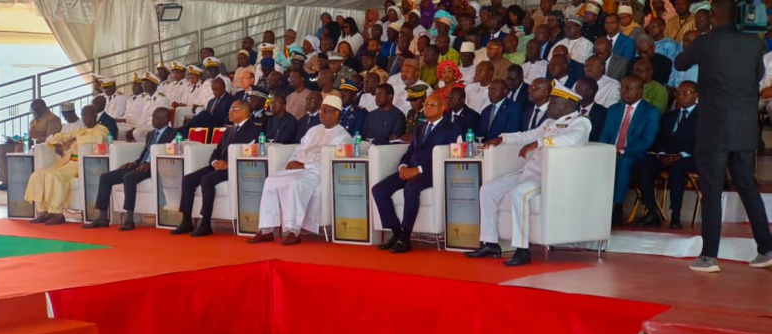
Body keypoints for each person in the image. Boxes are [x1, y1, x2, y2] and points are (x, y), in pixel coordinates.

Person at [674, 0, 772, 272]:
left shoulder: (706, 42)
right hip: (743, 127)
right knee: (747, 187)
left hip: (714, 128)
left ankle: (709, 256)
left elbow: (680, 63)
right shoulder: (754, 43)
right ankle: (766, 248)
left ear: (714, 15)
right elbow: (759, 75)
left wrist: (693, 47)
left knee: (712, 190)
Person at [465, 80, 591, 266]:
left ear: (569, 104)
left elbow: (571, 140)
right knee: (488, 190)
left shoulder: (580, 122)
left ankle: (522, 250)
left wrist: (539, 143)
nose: (550, 106)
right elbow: (527, 135)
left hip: (550, 176)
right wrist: (503, 138)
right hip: (529, 171)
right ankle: (490, 242)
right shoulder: (550, 122)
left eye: (554, 102)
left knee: (519, 193)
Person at [248, 95, 353, 245]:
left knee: (295, 183)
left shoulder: (343, 136)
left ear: (336, 113)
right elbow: (298, 149)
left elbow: (329, 162)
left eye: (325, 111)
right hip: (298, 168)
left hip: (316, 173)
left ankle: (292, 231)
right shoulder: (313, 130)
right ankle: (265, 230)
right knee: (270, 181)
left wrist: (304, 166)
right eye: (321, 110)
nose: (321, 114)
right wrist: (291, 162)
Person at [372, 94, 462, 253]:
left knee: (411, 189)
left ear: (442, 108)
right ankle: (396, 232)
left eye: (432, 105)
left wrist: (419, 170)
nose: (427, 107)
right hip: (411, 169)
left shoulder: (451, 128)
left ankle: (405, 237)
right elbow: (410, 150)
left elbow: (449, 155)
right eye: (426, 105)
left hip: (432, 171)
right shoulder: (419, 127)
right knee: (379, 189)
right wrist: (403, 166)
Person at [172, 100, 263, 237]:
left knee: (207, 180)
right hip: (218, 166)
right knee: (188, 179)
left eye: (233, 109)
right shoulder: (229, 130)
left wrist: (228, 163)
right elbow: (216, 151)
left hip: (235, 168)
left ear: (244, 111)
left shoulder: (254, 130)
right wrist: (215, 162)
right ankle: (186, 220)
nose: (229, 112)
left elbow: (249, 153)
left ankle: (206, 222)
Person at [82, 108, 176, 230]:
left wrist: (151, 164)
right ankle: (102, 216)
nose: (152, 120)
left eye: (156, 117)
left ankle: (129, 218)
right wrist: (134, 163)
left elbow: (169, 154)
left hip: (155, 167)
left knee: (129, 177)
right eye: (152, 117)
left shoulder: (173, 134)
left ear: (165, 119)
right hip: (140, 165)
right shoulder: (150, 134)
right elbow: (144, 153)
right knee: (105, 177)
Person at [25, 105, 109, 225]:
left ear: (95, 115)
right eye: (83, 115)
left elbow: (98, 138)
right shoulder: (80, 130)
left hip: (80, 164)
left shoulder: (101, 129)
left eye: (87, 115)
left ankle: (57, 213)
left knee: (54, 176)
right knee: (37, 175)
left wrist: (74, 140)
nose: (84, 118)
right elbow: (59, 136)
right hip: (65, 162)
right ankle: (45, 211)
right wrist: (58, 143)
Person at [632, 81, 698, 229]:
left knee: (677, 170)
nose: (681, 96)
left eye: (686, 93)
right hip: (667, 156)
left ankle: (676, 214)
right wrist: (661, 154)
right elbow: (660, 138)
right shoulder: (670, 116)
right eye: (678, 93)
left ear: (696, 95)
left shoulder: (704, 116)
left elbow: (703, 143)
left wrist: (681, 155)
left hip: (690, 158)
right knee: (644, 165)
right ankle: (652, 210)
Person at [599, 75, 660, 226]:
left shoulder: (651, 112)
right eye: (622, 88)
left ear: (639, 91)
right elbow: (605, 134)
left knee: (624, 162)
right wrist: (602, 150)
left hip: (636, 154)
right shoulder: (614, 109)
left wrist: (621, 151)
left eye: (628, 88)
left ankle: (617, 208)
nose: (624, 92)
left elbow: (647, 141)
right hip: (611, 152)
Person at [0, 99, 62, 191]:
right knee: (0, 148)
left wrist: (33, 141)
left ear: (43, 108)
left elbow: (52, 138)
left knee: (19, 147)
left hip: (39, 146)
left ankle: (17, 180)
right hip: (26, 144)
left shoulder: (53, 119)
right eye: (32, 110)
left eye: (35, 110)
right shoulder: (34, 120)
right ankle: (5, 181)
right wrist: (16, 140)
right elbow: (29, 135)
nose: (34, 112)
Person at [573, 77, 608, 141]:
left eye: (579, 90)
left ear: (590, 92)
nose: (576, 93)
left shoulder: (603, 113)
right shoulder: (571, 109)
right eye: (576, 90)